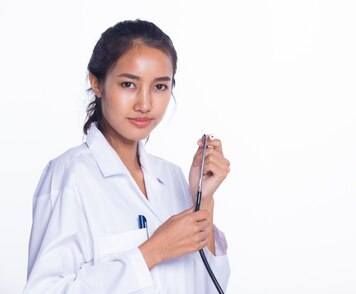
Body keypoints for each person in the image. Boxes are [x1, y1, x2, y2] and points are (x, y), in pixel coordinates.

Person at [24, 19, 230, 293]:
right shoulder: (70, 175)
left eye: (159, 87)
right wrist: (152, 252)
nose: (144, 104)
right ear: (96, 83)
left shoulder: (171, 176)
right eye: (128, 85)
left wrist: (203, 200)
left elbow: (205, 287)